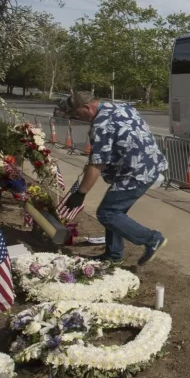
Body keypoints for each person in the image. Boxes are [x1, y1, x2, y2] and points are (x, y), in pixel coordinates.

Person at [60, 91, 168, 266]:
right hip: (150, 164)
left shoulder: (101, 125)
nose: (79, 118)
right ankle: (114, 255)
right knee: (116, 211)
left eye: (78, 114)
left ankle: (152, 239)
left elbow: (97, 164)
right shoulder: (119, 106)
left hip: (135, 173)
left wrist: (80, 193)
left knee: (107, 213)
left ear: (87, 107)